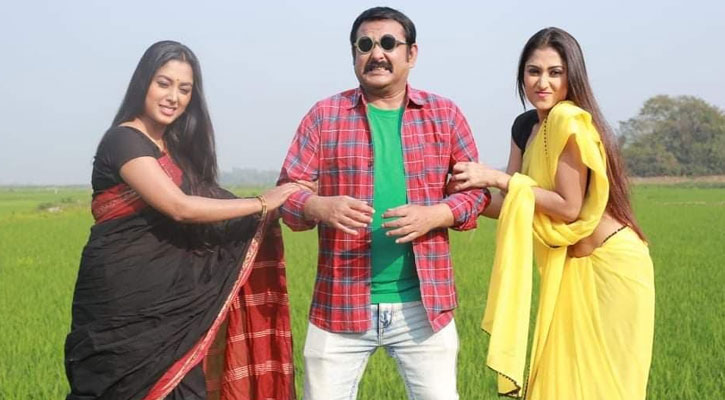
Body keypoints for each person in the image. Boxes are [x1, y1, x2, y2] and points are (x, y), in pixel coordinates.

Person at [64, 41, 304, 400]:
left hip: (177, 311)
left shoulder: (176, 153)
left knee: (187, 389)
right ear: (143, 83)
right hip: (122, 304)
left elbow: (212, 203)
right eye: (164, 83)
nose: (173, 97)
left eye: (184, 89)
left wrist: (291, 198)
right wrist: (261, 203)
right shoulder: (123, 140)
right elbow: (180, 207)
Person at [277, 7, 489, 400]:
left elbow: (475, 191)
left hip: (423, 307)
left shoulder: (444, 115)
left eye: (389, 43)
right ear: (353, 55)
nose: (377, 54)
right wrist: (318, 206)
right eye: (365, 45)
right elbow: (287, 192)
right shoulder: (324, 116)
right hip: (339, 302)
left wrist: (436, 214)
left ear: (412, 54)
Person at [450, 27, 655, 399]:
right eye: (533, 71)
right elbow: (513, 204)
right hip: (569, 269)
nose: (542, 82)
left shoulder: (569, 121)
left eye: (554, 72)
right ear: (522, 76)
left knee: (609, 385)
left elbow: (568, 207)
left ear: (571, 77)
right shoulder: (524, 127)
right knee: (560, 383)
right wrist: (458, 193)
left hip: (613, 266)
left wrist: (494, 176)